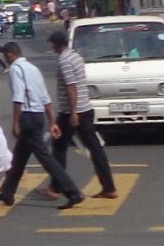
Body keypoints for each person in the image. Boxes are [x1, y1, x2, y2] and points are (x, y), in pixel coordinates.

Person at [0, 41, 84, 209]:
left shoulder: (16, 69)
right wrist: (52, 121)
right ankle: (7, 193)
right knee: (19, 158)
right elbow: (45, 97)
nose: (5, 59)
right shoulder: (33, 69)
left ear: (10, 55)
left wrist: (16, 123)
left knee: (46, 158)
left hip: (28, 117)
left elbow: (18, 98)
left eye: (5, 56)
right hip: (38, 116)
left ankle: (73, 192)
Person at [48, 27, 118, 198]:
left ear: (57, 45)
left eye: (52, 44)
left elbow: (71, 86)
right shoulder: (76, 56)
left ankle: (56, 187)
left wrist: (73, 113)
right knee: (95, 148)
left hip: (71, 112)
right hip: (85, 109)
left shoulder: (65, 60)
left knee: (59, 147)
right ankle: (109, 187)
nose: (52, 48)